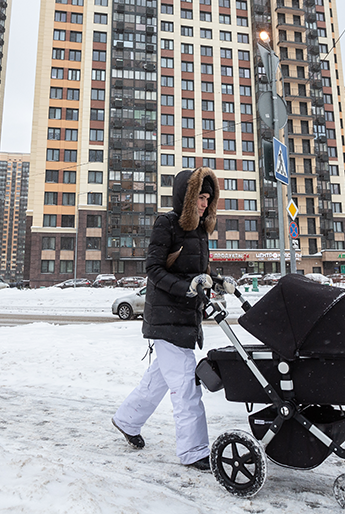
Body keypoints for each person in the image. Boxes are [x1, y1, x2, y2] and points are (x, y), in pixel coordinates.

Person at [113, 166, 220, 472]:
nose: (204, 204)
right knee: (186, 385)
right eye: (199, 197)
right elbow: (154, 269)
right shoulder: (167, 223)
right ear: (186, 198)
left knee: (157, 381)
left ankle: (127, 420)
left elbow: (198, 272)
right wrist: (186, 289)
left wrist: (215, 282)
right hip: (166, 318)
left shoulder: (200, 230)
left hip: (185, 318)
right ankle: (193, 450)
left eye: (207, 199)